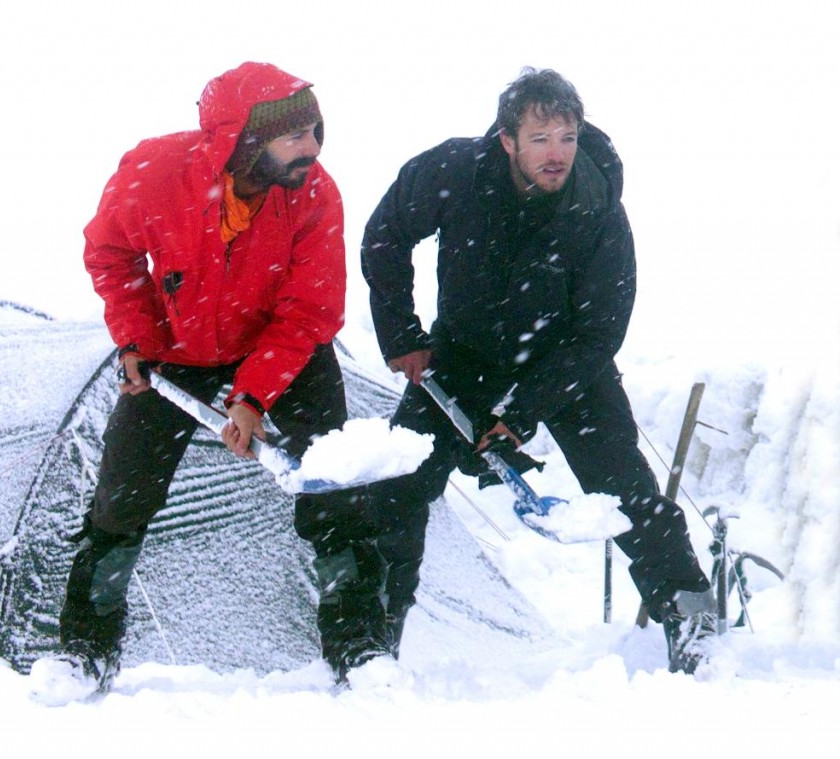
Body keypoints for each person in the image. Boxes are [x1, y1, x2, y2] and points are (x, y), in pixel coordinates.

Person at [358, 67, 717, 675]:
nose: (557, 155)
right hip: (463, 356)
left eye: (568, 138)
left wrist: (522, 413)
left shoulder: (598, 207)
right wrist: (402, 336)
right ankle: (372, 639)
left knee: (624, 484)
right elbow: (384, 237)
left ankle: (692, 617)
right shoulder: (453, 173)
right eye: (541, 139)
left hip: (564, 364)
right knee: (398, 486)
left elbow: (600, 330)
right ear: (507, 140)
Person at [57, 61, 367, 688]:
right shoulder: (155, 173)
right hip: (180, 344)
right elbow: (110, 253)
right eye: (295, 135)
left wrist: (253, 395)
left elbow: (311, 308)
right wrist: (138, 336)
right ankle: (84, 652)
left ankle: (357, 641)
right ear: (245, 139)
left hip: (282, 345)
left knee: (332, 482)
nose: (311, 148)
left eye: (316, 131)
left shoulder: (315, 192)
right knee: (122, 498)